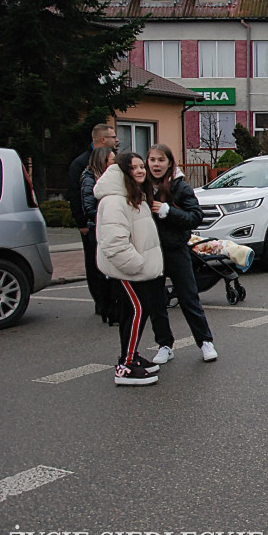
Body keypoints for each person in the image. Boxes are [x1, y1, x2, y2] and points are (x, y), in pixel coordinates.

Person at [94, 153, 164, 386]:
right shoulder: (115, 200)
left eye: (142, 166)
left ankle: (129, 355)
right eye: (134, 168)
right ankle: (126, 366)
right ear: (124, 172)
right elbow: (114, 242)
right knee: (137, 310)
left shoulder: (134, 195)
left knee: (132, 313)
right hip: (127, 271)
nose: (141, 171)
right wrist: (137, 265)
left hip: (134, 270)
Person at [145, 144, 218, 365]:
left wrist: (170, 211)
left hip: (176, 250)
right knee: (156, 302)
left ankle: (205, 341)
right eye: (152, 160)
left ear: (169, 163)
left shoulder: (180, 187)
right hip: (151, 252)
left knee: (188, 297)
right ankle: (165, 345)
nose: (156, 165)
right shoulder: (142, 186)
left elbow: (196, 216)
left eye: (161, 160)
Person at [67, 123, 118, 320]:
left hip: (109, 224)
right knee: (94, 264)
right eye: (113, 137)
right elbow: (75, 196)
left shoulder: (113, 162)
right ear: (103, 140)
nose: (117, 141)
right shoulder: (81, 165)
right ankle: (101, 302)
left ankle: (112, 301)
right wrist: (81, 223)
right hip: (92, 224)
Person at [80, 147, 117, 324]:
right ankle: (105, 308)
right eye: (111, 160)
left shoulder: (109, 178)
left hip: (107, 227)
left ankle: (112, 307)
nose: (114, 163)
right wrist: (107, 216)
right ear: (102, 162)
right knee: (102, 271)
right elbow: (88, 208)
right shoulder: (89, 179)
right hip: (97, 230)